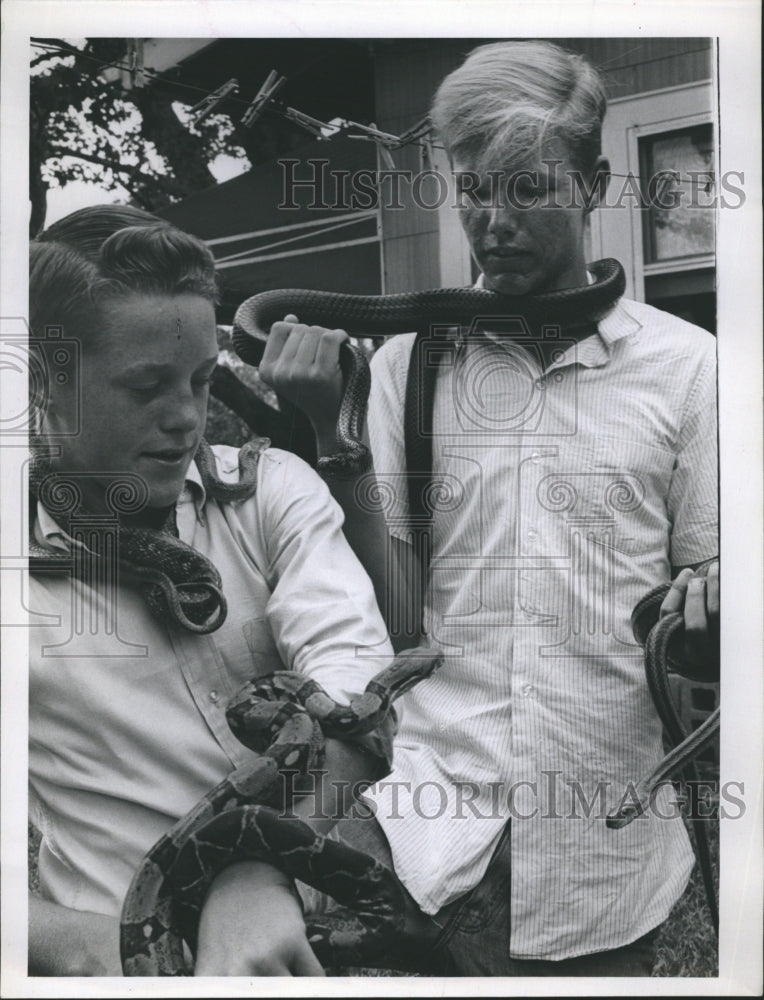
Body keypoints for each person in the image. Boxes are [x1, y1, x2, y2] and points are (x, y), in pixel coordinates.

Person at [253, 40, 719, 976]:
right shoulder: (408, 365)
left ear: (592, 183)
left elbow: (706, 601)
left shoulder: (689, 370)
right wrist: (327, 432)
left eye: (528, 190)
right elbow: (392, 617)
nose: (492, 221)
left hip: (604, 846)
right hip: (439, 832)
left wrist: (708, 610)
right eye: (473, 192)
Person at [26, 205, 399, 976]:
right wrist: (80, 948)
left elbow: (358, 700)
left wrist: (255, 870)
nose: (187, 418)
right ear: (40, 379)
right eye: (146, 386)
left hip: (298, 946)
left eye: (201, 380)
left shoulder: (271, 494)